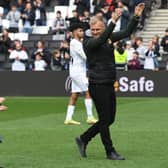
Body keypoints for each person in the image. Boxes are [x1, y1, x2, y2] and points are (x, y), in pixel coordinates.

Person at [75, 3, 145, 160]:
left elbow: (127, 31)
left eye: (98, 29)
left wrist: (136, 16)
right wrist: (112, 22)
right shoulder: (87, 42)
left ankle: (84, 138)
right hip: (97, 84)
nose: (94, 32)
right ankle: (109, 151)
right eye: (92, 30)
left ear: (103, 28)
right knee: (105, 120)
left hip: (108, 83)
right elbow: (99, 41)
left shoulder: (109, 38)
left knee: (109, 119)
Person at [64, 22, 97, 125]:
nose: (82, 32)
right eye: (80, 31)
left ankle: (68, 118)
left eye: (82, 30)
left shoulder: (77, 42)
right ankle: (90, 117)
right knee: (88, 91)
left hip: (76, 71)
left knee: (75, 94)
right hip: (78, 71)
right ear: (74, 32)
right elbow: (85, 56)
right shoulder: (75, 43)